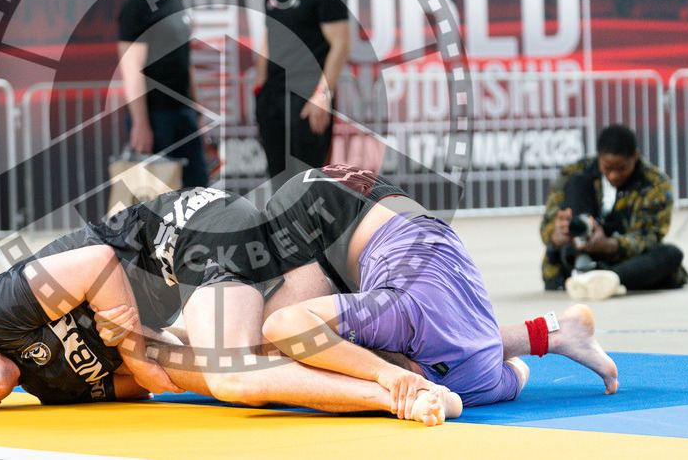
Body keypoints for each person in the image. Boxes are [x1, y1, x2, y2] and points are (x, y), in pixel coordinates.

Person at [0, 187, 452, 424]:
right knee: (260, 363)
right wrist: (152, 354)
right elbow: (155, 383)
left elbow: (100, 264)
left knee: (230, 376)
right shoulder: (51, 391)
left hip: (186, 234)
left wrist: (130, 347)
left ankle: (391, 396)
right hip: (217, 273)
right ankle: (419, 369)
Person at [258, 164, 620, 414]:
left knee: (294, 355)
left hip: (404, 222)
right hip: (318, 204)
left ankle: (558, 331)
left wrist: (398, 377)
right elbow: (284, 326)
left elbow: (519, 373)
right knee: (292, 349)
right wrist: (382, 373)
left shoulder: (481, 380)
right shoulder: (400, 318)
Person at [254, 0, 351, 192]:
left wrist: (322, 96)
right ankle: (281, 236)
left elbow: (341, 46)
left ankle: (311, 235)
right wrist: (260, 91)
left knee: (309, 183)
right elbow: (267, 40)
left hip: (307, 98)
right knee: (278, 180)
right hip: (272, 98)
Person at [540, 124, 688, 300]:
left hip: (623, 259)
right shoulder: (574, 173)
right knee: (576, 182)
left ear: (635, 156)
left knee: (672, 254)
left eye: (621, 168)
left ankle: (604, 278)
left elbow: (649, 237)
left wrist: (609, 244)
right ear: (599, 157)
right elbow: (547, 227)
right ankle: (592, 271)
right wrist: (558, 235)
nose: (614, 175)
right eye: (608, 168)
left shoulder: (655, 183)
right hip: (573, 256)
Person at [117, 0, 208, 188]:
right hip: (157, 117)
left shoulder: (177, 4)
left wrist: (198, 112)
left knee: (198, 192)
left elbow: (184, 61)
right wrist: (141, 123)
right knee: (159, 199)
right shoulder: (138, 8)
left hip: (184, 115)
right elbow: (131, 69)